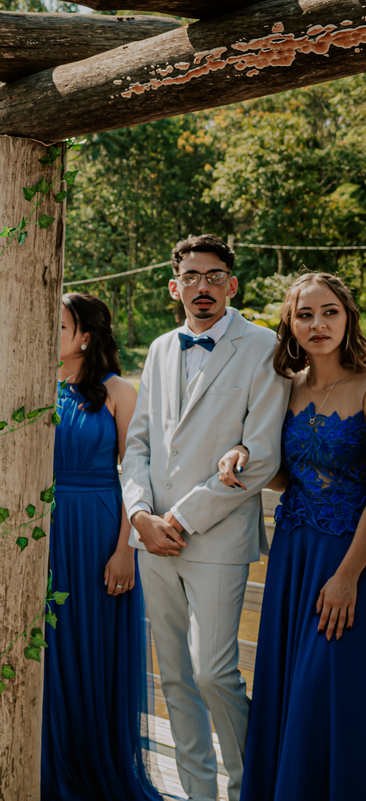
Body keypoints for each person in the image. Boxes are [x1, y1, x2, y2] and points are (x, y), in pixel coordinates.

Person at [122, 235, 290, 801]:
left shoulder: (263, 346)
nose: (203, 287)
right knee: (173, 675)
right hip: (151, 537)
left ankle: (249, 789)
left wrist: (181, 519)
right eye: (191, 277)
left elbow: (261, 455)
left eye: (214, 276)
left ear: (231, 285)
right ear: (175, 287)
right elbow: (139, 443)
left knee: (214, 672)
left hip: (215, 536)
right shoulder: (159, 348)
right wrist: (140, 514)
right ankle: (197, 793)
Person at [217, 272, 366, 801]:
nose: (318, 324)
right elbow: (287, 473)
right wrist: (243, 454)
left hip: (348, 556)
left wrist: (348, 576)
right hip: (292, 553)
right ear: (291, 325)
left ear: (348, 317)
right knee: (288, 682)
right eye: (305, 315)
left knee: (326, 683)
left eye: (329, 312)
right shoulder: (287, 386)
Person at [42, 293, 163, 801]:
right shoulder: (36, 387)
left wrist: (126, 549)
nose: (49, 332)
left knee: (92, 644)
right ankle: (50, 766)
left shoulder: (117, 391)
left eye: (59, 325)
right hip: (45, 530)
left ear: (85, 336)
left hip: (99, 527)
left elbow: (136, 474)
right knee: (50, 646)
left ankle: (96, 768)